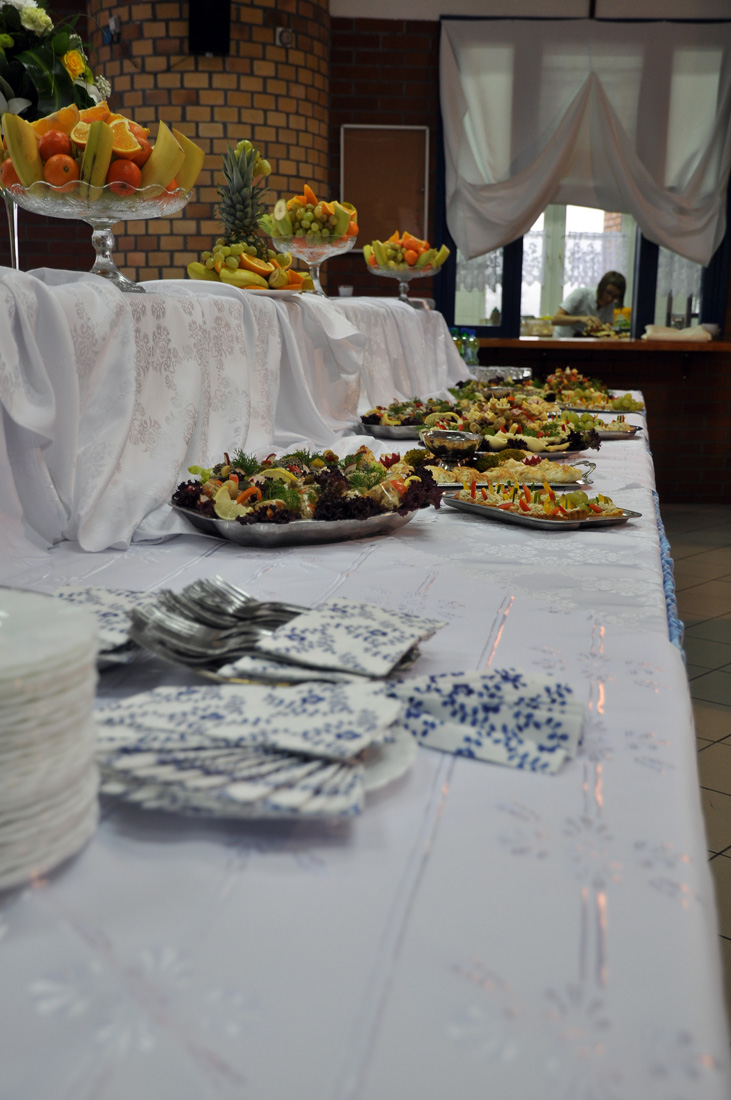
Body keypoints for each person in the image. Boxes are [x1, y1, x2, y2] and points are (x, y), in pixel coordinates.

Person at [550, 271, 626, 337]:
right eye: (608, 293)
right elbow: (556, 319)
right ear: (601, 287)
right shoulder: (581, 294)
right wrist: (581, 319)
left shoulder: (610, 303)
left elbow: (608, 324)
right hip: (564, 339)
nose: (610, 299)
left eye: (615, 296)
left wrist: (606, 327)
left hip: (584, 341)